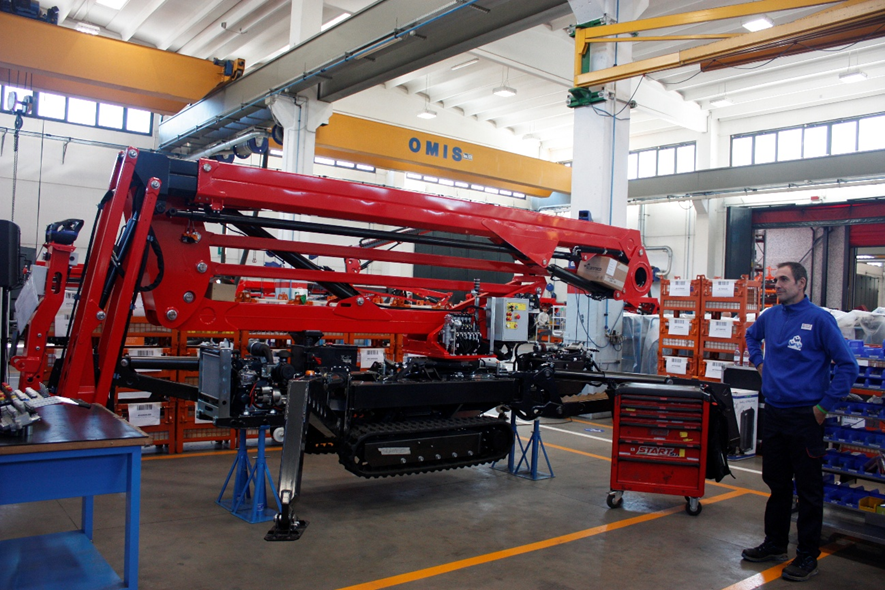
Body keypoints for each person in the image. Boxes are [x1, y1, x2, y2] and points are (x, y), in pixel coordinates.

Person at [742, 261, 858, 581]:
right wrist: (759, 363)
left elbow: (848, 366)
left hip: (806, 417)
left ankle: (807, 555)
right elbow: (751, 337)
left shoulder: (819, 319)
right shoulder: (770, 317)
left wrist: (823, 408)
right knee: (777, 484)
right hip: (775, 413)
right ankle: (775, 543)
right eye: (775, 280)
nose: (777, 285)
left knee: (808, 490)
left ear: (801, 283)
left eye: (783, 279)